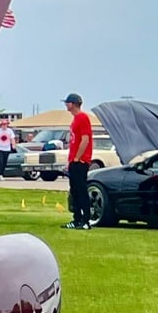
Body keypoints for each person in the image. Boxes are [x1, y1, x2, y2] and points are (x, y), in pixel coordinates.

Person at [63, 93, 95, 229]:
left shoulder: (82, 117)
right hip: (73, 161)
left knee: (81, 190)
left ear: (73, 104)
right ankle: (76, 219)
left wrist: (78, 157)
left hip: (80, 161)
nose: (66, 105)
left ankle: (86, 220)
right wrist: (70, 160)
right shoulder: (75, 119)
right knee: (74, 191)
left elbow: (85, 139)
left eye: (68, 103)